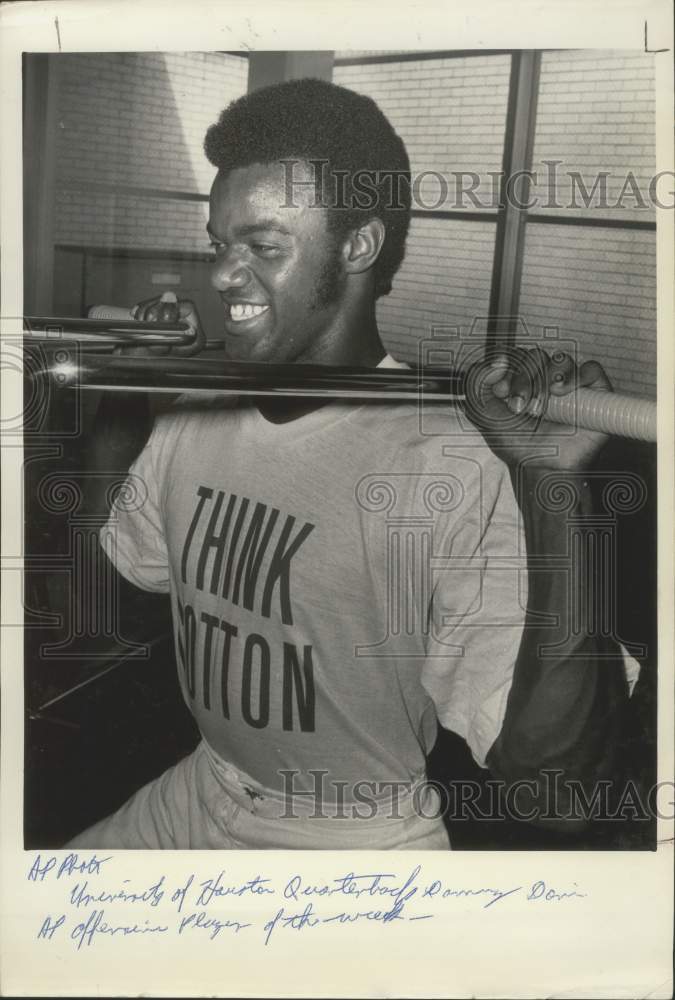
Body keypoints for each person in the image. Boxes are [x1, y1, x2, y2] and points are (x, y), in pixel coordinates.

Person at [67, 78, 636, 850]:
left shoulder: (451, 466)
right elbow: (105, 597)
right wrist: (120, 394)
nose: (223, 276)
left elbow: (559, 790)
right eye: (219, 244)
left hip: (349, 840)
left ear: (357, 246)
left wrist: (553, 487)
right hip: (204, 786)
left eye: (263, 247)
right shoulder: (195, 412)